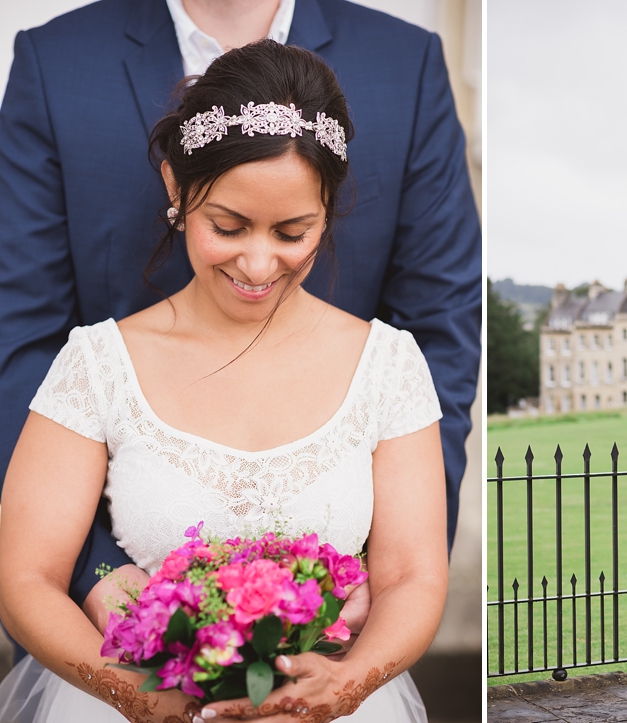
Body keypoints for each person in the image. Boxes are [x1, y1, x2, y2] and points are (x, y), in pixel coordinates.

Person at [0, 40, 447, 722]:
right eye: (229, 225)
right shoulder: (98, 364)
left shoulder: (388, 366)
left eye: (293, 231)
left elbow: (413, 576)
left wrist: (351, 682)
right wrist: (132, 693)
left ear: (328, 211)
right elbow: (25, 577)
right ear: (177, 189)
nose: (259, 262)